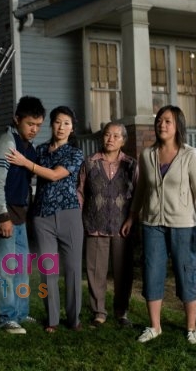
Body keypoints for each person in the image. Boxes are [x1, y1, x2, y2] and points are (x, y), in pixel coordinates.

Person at [121, 105, 196, 344]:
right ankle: (155, 326)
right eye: (159, 120)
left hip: (183, 225)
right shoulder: (147, 155)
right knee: (152, 273)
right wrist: (132, 216)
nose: (162, 124)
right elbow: (141, 190)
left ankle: (191, 328)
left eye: (167, 121)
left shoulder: (190, 155)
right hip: (152, 224)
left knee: (186, 273)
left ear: (178, 125)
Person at [6, 105, 84, 332]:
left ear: (72, 128)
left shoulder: (75, 153)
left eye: (67, 123)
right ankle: (52, 320)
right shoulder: (39, 150)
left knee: (72, 269)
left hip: (69, 215)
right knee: (48, 270)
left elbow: (54, 175)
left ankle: (74, 318)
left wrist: (25, 163)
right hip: (42, 217)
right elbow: (24, 173)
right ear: (51, 124)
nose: (61, 127)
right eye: (58, 122)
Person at [0, 96, 45, 334]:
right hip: (7, 214)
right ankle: (6, 317)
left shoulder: (28, 149)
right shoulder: (7, 142)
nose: (34, 129)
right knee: (6, 268)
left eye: (38, 125)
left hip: (21, 215)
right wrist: (2, 215)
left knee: (22, 268)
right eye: (30, 124)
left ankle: (20, 313)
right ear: (17, 119)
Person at [77, 122, 137, 328]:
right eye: (107, 135)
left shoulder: (131, 165)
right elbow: (80, 193)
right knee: (95, 271)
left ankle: (121, 312)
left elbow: (137, 196)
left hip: (123, 226)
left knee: (123, 271)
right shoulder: (90, 163)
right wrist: (79, 219)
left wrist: (131, 219)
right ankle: (99, 312)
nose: (110, 139)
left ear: (123, 141)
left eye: (116, 136)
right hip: (95, 222)